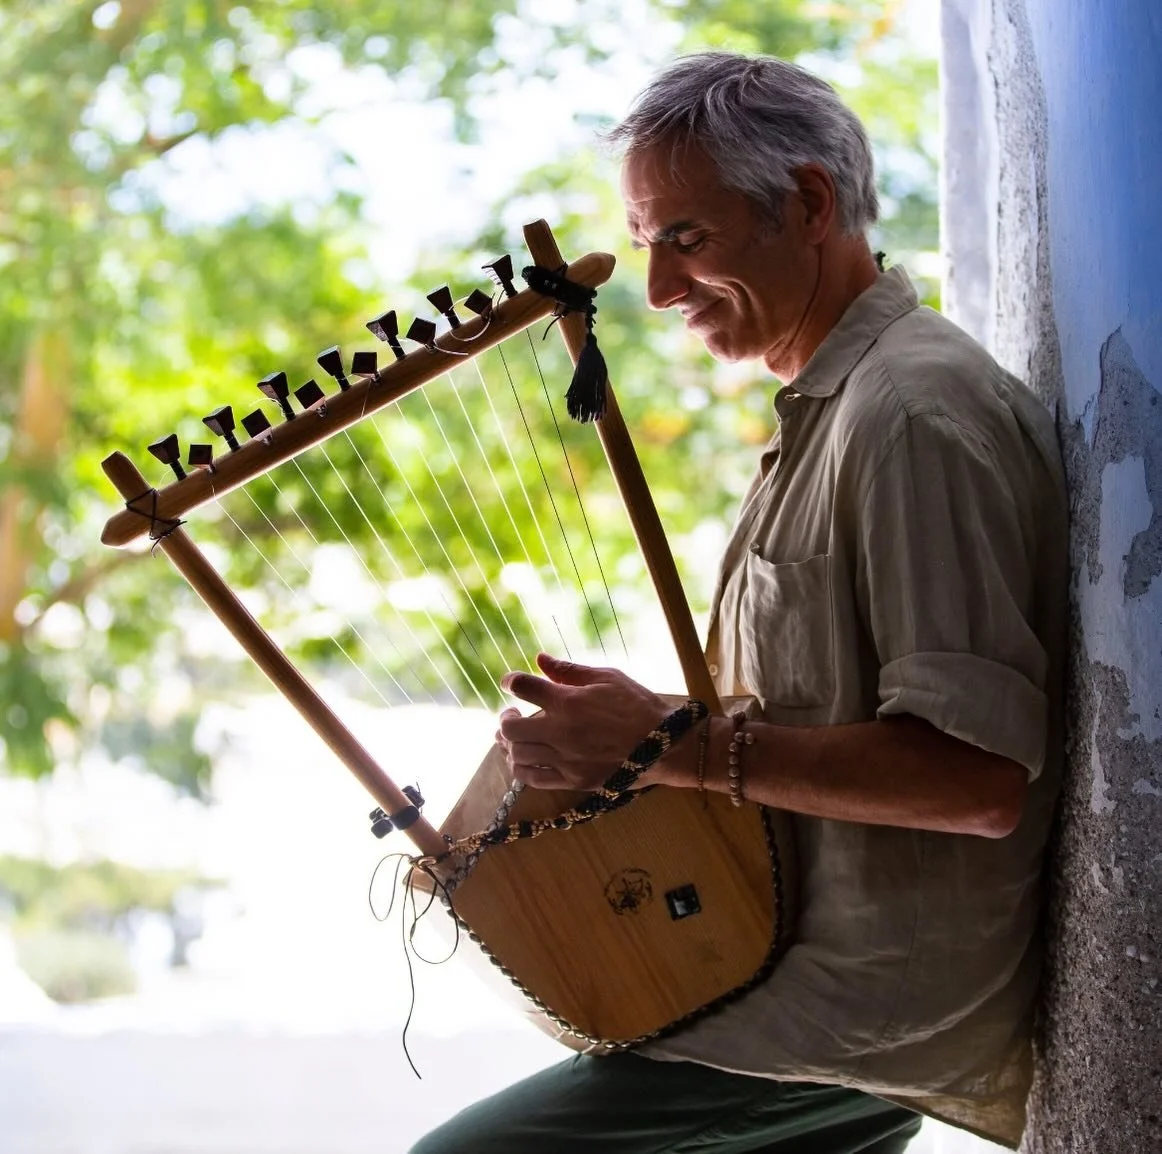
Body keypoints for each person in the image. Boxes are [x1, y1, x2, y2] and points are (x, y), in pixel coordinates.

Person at [411, 52, 1068, 1154]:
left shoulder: (909, 410)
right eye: (645, 246)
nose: (658, 291)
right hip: (772, 958)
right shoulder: (839, 406)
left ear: (807, 204)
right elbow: (826, 714)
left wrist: (671, 743)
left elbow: (977, 777)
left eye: (688, 238)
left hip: (856, 1009)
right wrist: (628, 734)